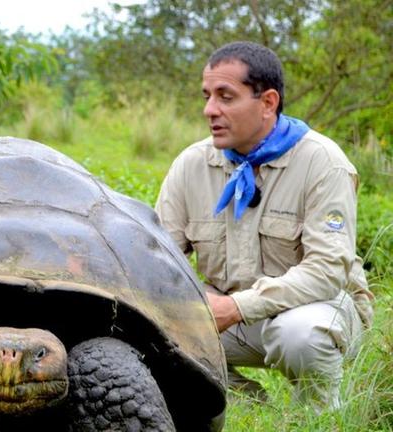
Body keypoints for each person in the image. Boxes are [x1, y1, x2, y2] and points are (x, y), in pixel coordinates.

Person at [155, 41, 374, 409]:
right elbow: (157, 257)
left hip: (317, 311)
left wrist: (237, 308)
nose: (210, 110)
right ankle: (254, 410)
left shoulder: (322, 162)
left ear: (268, 103)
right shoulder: (192, 164)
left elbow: (326, 271)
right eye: (207, 96)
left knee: (300, 336)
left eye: (226, 97)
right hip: (228, 314)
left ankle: (317, 417)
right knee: (149, 335)